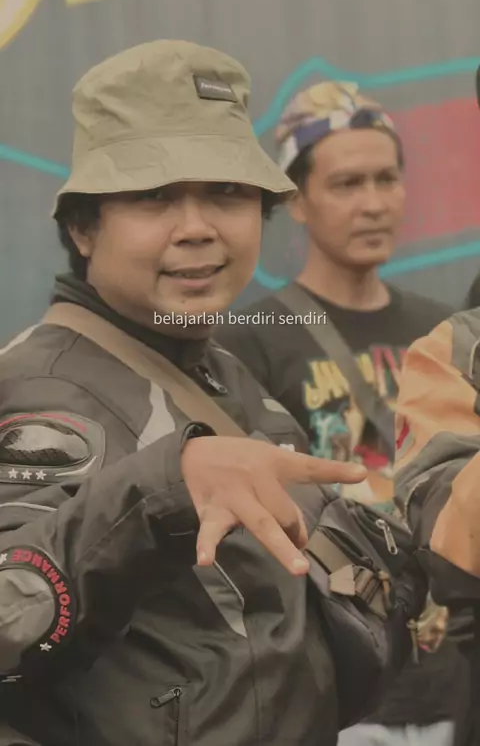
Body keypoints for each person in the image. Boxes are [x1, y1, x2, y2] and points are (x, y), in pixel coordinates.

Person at [0, 41, 424, 746]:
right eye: (154, 196)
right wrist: (161, 489)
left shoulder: (222, 370)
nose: (197, 228)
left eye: (226, 193)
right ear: (83, 226)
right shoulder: (41, 389)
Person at [217, 81, 465, 745]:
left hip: (455, 682)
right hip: (339, 693)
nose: (374, 203)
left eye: (387, 179)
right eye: (348, 183)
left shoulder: (445, 330)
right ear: (297, 200)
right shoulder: (250, 340)